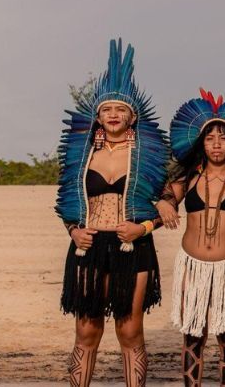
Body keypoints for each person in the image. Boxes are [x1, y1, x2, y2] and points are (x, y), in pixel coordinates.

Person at [56, 39, 170, 387]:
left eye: (121, 110)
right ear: (98, 116)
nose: (114, 115)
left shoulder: (148, 157)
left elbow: (167, 205)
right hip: (87, 247)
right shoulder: (84, 155)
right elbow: (68, 203)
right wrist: (74, 231)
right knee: (87, 329)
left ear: (133, 116)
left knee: (130, 328)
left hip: (132, 247)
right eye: (107, 110)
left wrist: (144, 227)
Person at [159, 89, 225, 386]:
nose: (217, 144)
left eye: (224, 138)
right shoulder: (187, 178)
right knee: (192, 337)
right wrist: (165, 203)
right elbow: (165, 195)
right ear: (200, 143)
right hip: (192, 267)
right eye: (210, 138)